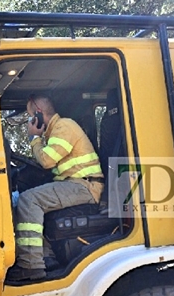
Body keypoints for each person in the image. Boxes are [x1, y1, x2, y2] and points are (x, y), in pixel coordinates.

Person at [9, 94, 103, 281]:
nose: (30, 121)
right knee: (28, 195)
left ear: (38, 113)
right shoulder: (54, 133)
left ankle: (31, 266)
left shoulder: (64, 126)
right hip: (75, 184)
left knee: (29, 200)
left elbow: (46, 160)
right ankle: (47, 257)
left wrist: (34, 138)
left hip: (85, 186)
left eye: (30, 116)